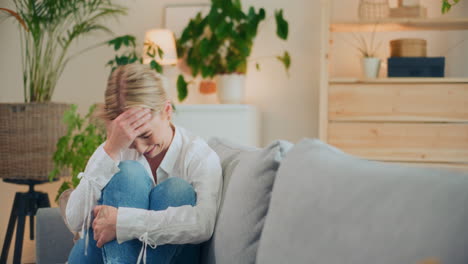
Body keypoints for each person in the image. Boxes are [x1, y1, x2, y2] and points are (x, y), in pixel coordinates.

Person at [66, 64, 223, 264]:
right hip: (102, 256)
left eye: (146, 134)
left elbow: (203, 223)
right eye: (131, 138)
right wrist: (111, 151)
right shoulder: (117, 148)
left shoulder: (198, 155)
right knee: (128, 173)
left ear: (167, 111)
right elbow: (74, 220)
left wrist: (122, 222)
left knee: (177, 191)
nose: (139, 148)